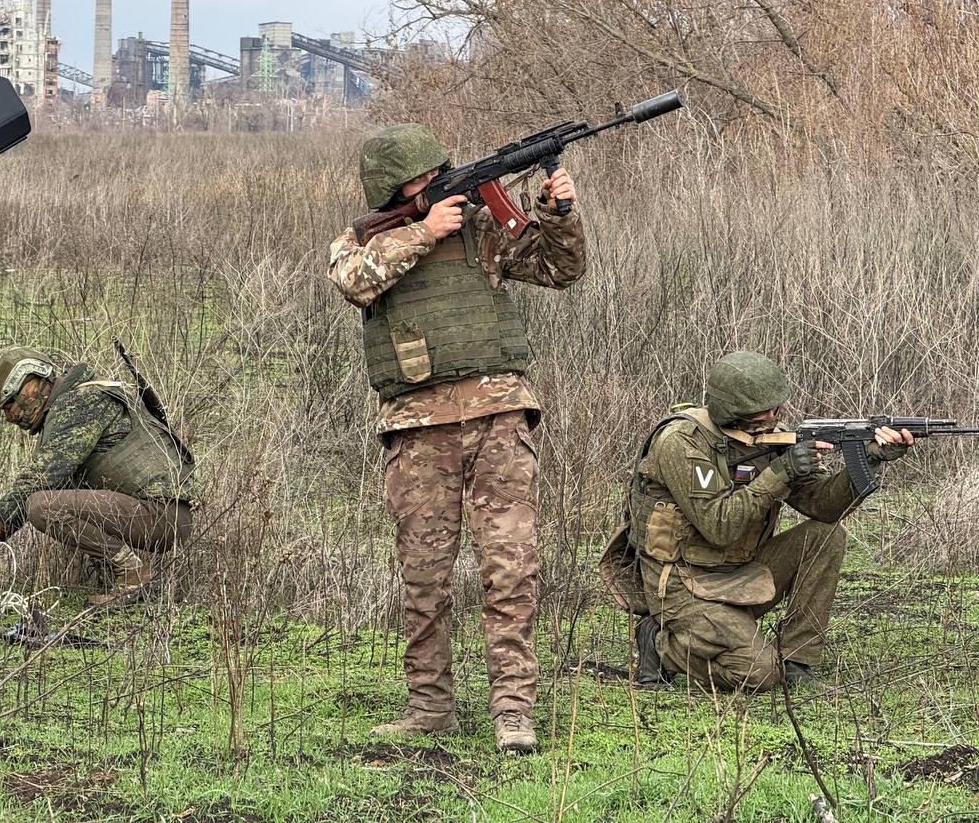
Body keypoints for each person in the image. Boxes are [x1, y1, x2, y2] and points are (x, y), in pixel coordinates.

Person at [327, 123, 587, 753]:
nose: (438, 186)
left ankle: (513, 710)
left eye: (440, 173)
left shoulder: (481, 227)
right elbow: (353, 280)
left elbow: (560, 269)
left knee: (510, 565)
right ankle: (429, 705)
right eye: (423, 181)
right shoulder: (366, 238)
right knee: (424, 572)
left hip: (499, 416)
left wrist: (559, 215)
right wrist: (423, 231)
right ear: (395, 191)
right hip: (418, 429)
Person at [604, 351, 913, 691]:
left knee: (825, 535)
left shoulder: (770, 438)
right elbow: (718, 527)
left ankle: (797, 661)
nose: (771, 417)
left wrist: (868, 461)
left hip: (741, 571)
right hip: (683, 583)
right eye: (759, 411)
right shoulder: (681, 442)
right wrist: (780, 472)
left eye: (775, 408)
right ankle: (662, 647)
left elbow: (822, 507)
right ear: (727, 408)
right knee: (760, 673)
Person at [0, 346, 196, 605]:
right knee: (52, 500)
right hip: (155, 513)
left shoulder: (81, 403)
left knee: (42, 506)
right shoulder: (72, 405)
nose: (8, 418)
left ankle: (134, 575)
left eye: (8, 406)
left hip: (161, 517)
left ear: (30, 387)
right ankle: (123, 576)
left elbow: (42, 477)